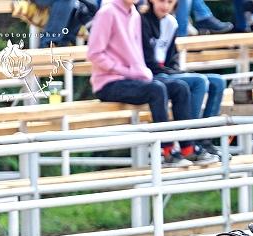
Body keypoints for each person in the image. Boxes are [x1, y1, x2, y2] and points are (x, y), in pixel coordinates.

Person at [88, 0, 214, 166]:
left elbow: (136, 53)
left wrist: (141, 71)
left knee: (179, 87)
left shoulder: (134, 14)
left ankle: (188, 148)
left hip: (133, 79)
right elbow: (95, 53)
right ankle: (167, 151)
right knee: (157, 89)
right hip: (108, 83)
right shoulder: (107, 12)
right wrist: (127, 71)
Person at [142, 0, 225, 160]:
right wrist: (170, 71)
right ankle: (189, 142)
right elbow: (147, 60)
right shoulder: (142, 21)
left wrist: (173, 70)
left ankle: (204, 141)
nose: (165, 6)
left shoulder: (171, 22)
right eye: (161, 1)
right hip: (151, 74)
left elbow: (171, 57)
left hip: (166, 71)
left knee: (218, 82)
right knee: (199, 82)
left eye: (170, 2)